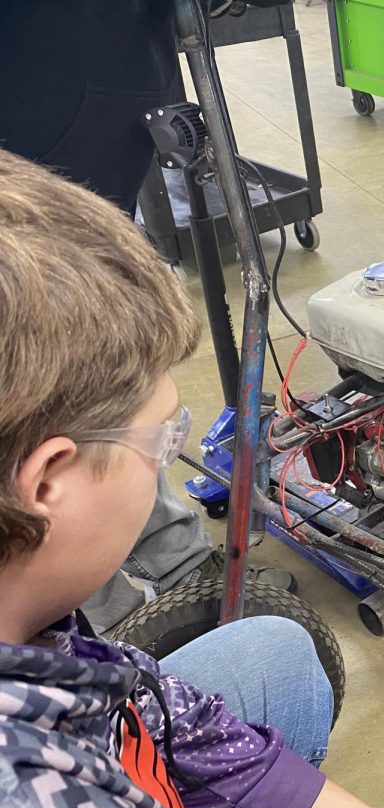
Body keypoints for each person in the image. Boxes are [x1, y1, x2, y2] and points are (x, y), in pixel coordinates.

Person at [0, 149, 384, 808]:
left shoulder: (31, 629)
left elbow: (153, 705)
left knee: (275, 655)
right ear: (48, 481)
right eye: (162, 440)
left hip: (104, 766)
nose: (169, 460)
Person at [0, 0, 297, 637]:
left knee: (123, 396)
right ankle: (93, 617)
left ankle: (175, 562)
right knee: (45, 409)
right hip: (28, 145)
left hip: (103, 113)